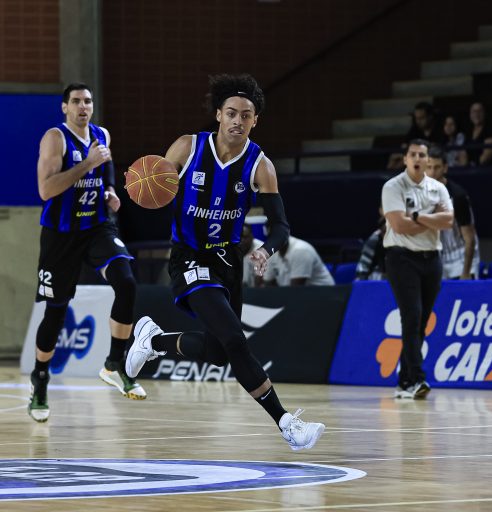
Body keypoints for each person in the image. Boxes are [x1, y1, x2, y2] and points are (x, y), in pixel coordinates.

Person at [124, 74, 324, 451]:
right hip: (189, 256)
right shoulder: (188, 147)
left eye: (245, 115)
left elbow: (280, 225)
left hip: (228, 262)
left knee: (218, 353)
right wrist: (145, 188)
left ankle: (154, 340)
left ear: (255, 120)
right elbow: (156, 184)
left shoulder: (260, 166)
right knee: (235, 339)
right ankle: (287, 424)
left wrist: (266, 249)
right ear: (218, 114)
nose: (237, 120)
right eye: (231, 113)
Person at [29, 82, 143, 422]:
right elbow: (46, 190)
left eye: (88, 101)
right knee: (56, 312)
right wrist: (86, 164)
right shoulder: (55, 139)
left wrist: (110, 192)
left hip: (96, 228)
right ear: (64, 107)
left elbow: (105, 175)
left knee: (127, 282)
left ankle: (115, 363)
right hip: (61, 236)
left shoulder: (102, 135)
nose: (83, 106)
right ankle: (40, 378)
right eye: (76, 101)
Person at [381, 139, 453, 399]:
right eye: (413, 154)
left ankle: (404, 382)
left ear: (427, 160)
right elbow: (399, 226)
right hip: (402, 258)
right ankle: (417, 378)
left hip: (431, 258)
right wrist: (431, 218)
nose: (418, 159)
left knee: (421, 321)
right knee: (412, 316)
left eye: (422, 155)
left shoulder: (437, 188)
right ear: (405, 159)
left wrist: (415, 217)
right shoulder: (393, 186)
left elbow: (448, 220)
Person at [425, 146, 480, 279]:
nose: (432, 172)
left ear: (445, 168)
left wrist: (466, 272)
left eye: (437, 167)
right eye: (429, 167)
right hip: (439, 259)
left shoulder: (458, 196)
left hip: (461, 258)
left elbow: (469, 239)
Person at [260, 235, 335, 286]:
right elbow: (269, 284)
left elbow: (296, 289)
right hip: (303, 296)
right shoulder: (271, 251)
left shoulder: (301, 250)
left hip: (325, 296)